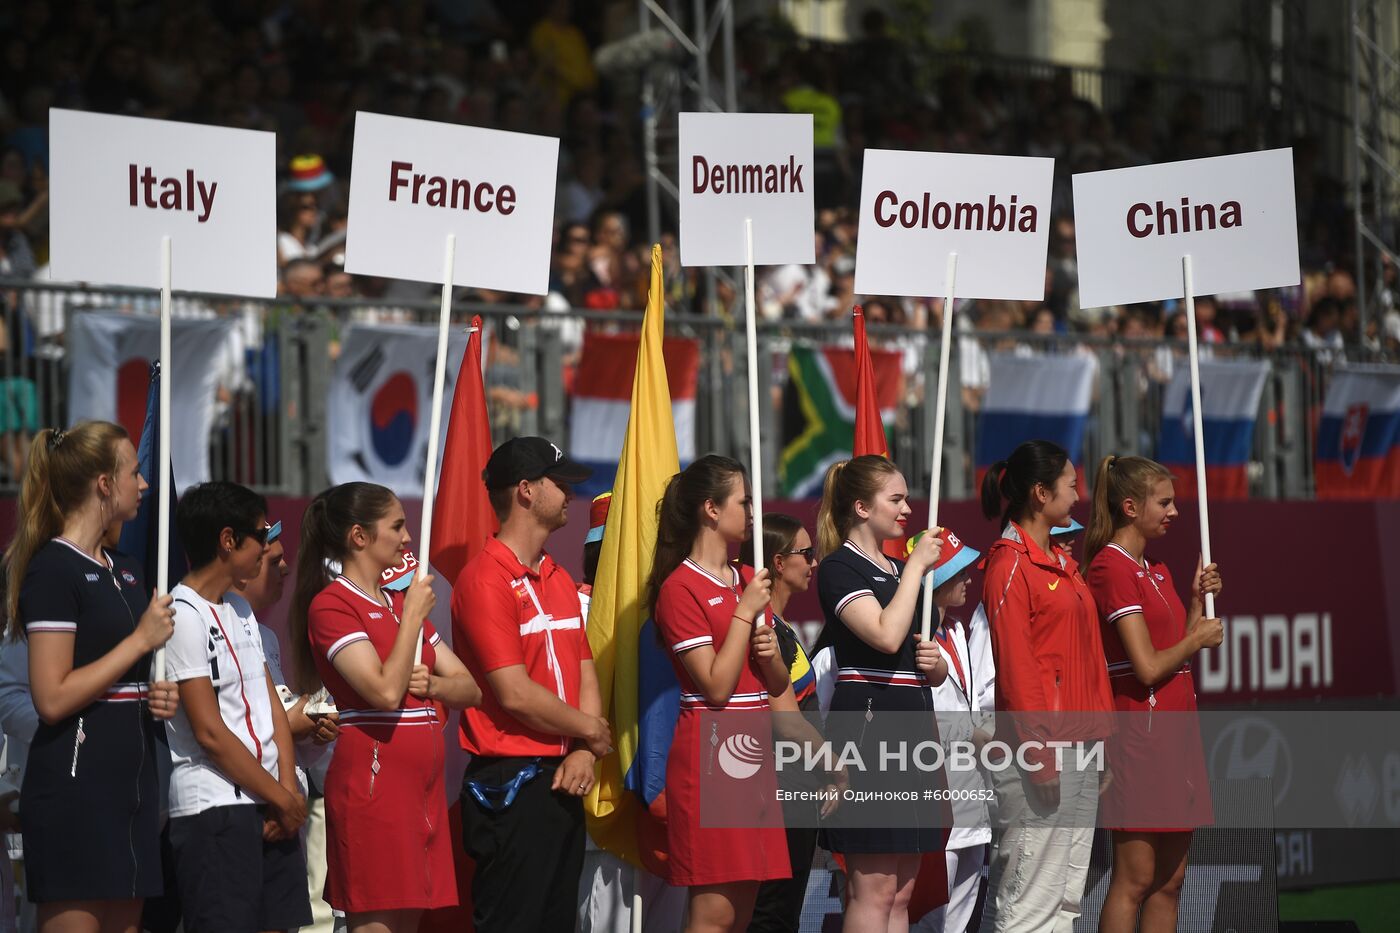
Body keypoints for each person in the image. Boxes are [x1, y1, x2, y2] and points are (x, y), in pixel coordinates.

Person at [3, 421, 179, 933]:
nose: (144, 484)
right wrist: (139, 642)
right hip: (74, 795)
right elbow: (52, 698)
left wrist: (154, 695)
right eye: (134, 472)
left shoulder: (127, 568)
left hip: (133, 795)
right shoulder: (52, 569)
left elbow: (120, 677)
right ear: (105, 484)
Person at [288, 482, 481, 933]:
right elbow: (383, 693)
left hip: (423, 793)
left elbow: (470, 689)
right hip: (373, 788)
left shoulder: (398, 602)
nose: (407, 538)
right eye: (397, 526)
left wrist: (433, 684)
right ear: (359, 536)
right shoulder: (332, 605)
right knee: (375, 926)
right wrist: (412, 618)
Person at [452, 437, 608, 933]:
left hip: (563, 777)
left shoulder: (557, 576)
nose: (569, 494)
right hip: (510, 784)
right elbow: (514, 693)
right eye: (559, 483)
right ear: (526, 490)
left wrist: (583, 749)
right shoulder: (484, 579)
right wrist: (590, 730)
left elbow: (584, 667)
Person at [647, 456, 793, 932]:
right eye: (743, 502)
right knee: (714, 914)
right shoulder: (680, 588)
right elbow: (714, 685)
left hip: (753, 750)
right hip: (711, 755)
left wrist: (770, 654)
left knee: (743, 908)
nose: (752, 512)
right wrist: (744, 613)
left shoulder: (749, 577)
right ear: (711, 509)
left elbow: (776, 683)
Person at [162, 482, 311, 933]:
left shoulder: (241, 609)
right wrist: (283, 799)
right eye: (261, 536)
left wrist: (287, 791)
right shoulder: (181, 615)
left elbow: (272, 707)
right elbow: (209, 733)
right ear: (228, 540)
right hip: (215, 809)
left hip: (271, 803)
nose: (268, 548)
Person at [1083, 456, 1223, 933]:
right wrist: (1197, 637)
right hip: (1138, 737)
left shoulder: (1156, 568)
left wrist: (1195, 603)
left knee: (1171, 881)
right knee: (1135, 879)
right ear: (1130, 507)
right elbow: (1146, 668)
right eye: (1164, 503)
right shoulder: (1110, 568)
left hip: (1175, 732)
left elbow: (1173, 658)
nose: (1174, 512)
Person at [979, 440, 1115, 933]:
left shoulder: (1060, 562)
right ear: (1041, 493)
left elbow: (1085, 662)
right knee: (1028, 905)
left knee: (1065, 902)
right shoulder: (1009, 564)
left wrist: (1099, 740)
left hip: (1079, 745)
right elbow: (1017, 671)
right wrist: (1038, 754)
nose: (1079, 496)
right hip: (1039, 752)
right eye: (1071, 486)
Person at [812, 454, 948, 932]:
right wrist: (917, 569)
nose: (908, 509)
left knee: (903, 891)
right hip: (869, 735)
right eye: (896, 499)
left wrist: (937, 664)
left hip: (914, 731)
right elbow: (886, 636)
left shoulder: (899, 569)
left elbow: (921, 659)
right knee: (874, 889)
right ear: (862, 507)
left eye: (907, 498)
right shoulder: (838, 568)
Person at [233, 520, 341, 933]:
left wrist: (316, 733)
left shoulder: (266, 636)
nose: (285, 569)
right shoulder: (212, 625)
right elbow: (243, 724)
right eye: (274, 561)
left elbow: (286, 724)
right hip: (247, 809)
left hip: (286, 806)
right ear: (245, 564)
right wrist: (311, 714)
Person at [742, 513, 823, 933]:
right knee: (770, 915)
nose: (814, 562)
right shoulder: (765, 631)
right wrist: (835, 765)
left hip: (796, 789)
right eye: (806, 553)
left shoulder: (780, 628)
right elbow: (787, 721)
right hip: (781, 791)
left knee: (782, 914)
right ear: (777, 562)